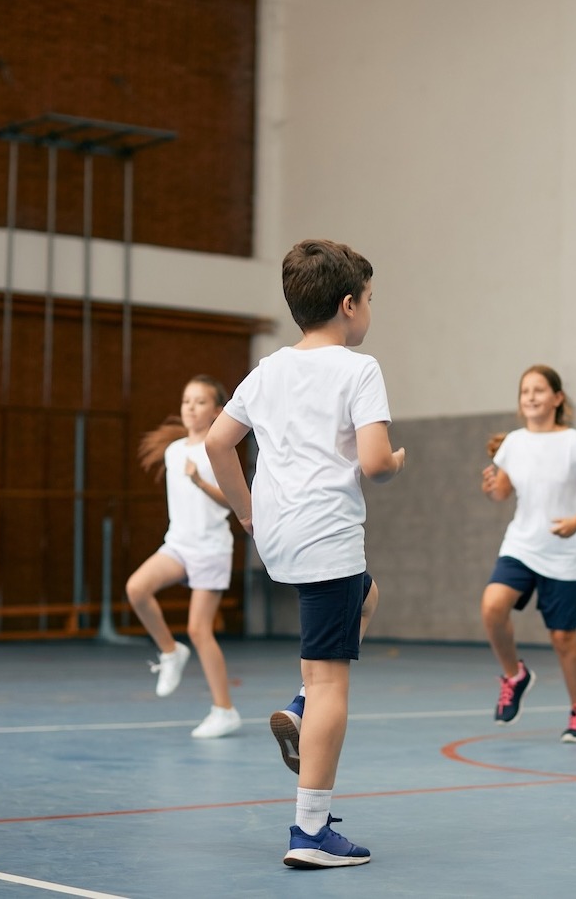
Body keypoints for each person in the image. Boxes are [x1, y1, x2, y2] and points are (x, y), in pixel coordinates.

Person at [206, 238, 403, 869]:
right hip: (326, 537)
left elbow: (217, 443)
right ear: (348, 305)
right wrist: (395, 461)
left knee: (366, 597)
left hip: (280, 536)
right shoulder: (357, 369)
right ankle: (310, 832)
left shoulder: (267, 370)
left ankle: (298, 703)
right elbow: (374, 464)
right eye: (369, 299)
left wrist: (246, 511)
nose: (370, 310)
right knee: (330, 682)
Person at [479, 364, 576, 743]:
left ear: (557, 398)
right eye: (525, 390)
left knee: (563, 638)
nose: (530, 396)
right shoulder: (513, 442)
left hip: (562, 552)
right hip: (521, 545)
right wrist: (493, 486)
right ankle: (515, 676)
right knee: (493, 607)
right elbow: (503, 493)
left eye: (539, 390)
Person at [127, 375, 241, 738]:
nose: (190, 408)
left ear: (217, 410)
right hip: (178, 544)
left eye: (200, 401)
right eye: (186, 401)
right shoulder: (174, 451)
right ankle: (170, 652)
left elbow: (236, 500)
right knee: (136, 589)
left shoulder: (219, 448)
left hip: (211, 548)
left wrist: (200, 483)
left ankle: (224, 710)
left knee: (198, 629)